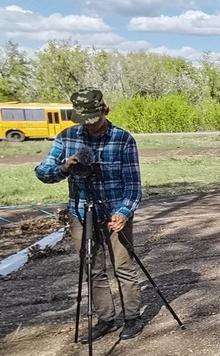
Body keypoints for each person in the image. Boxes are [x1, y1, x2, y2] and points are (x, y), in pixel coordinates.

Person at [35, 88, 144, 342]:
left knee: (123, 266)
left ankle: (132, 317)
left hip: (115, 212)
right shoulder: (67, 138)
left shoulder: (122, 139)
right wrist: (64, 168)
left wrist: (123, 212)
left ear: (105, 110)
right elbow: (42, 172)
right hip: (81, 212)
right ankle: (105, 318)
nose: (91, 125)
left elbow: (133, 186)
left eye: (94, 118)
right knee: (93, 267)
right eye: (85, 120)